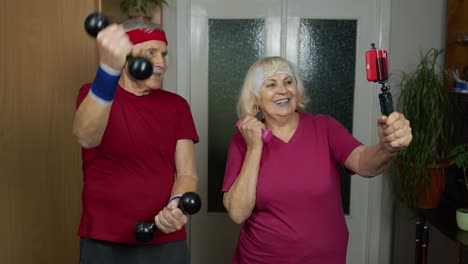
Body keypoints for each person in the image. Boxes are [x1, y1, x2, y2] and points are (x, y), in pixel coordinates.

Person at [222, 56, 412, 264]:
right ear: (255, 99)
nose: (283, 90)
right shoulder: (242, 142)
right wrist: (254, 147)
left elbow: (364, 163)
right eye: (271, 84)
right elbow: (238, 213)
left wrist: (386, 148)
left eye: (288, 81)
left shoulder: (324, 127)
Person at [73, 18, 199, 264]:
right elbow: (86, 136)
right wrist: (108, 69)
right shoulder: (95, 93)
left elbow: (187, 174)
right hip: (103, 238)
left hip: (164, 238)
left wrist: (176, 206)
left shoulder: (177, 105)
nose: (161, 62)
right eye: (151, 53)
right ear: (126, 57)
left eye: (163, 54)